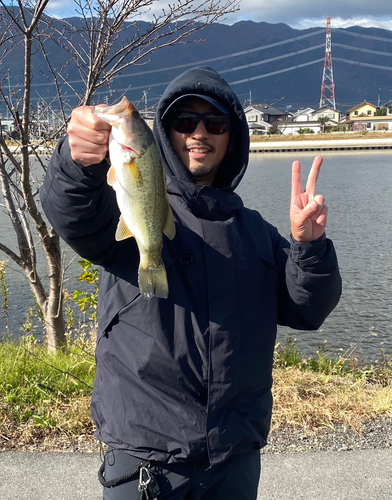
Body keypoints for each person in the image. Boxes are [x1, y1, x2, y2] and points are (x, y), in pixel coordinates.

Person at [40, 66, 341, 500]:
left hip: (233, 458)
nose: (199, 133)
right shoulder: (126, 209)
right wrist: (76, 162)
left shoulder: (256, 233)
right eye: (185, 122)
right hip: (144, 457)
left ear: (232, 136)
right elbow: (74, 213)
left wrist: (309, 247)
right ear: (164, 134)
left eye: (214, 122)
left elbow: (309, 309)